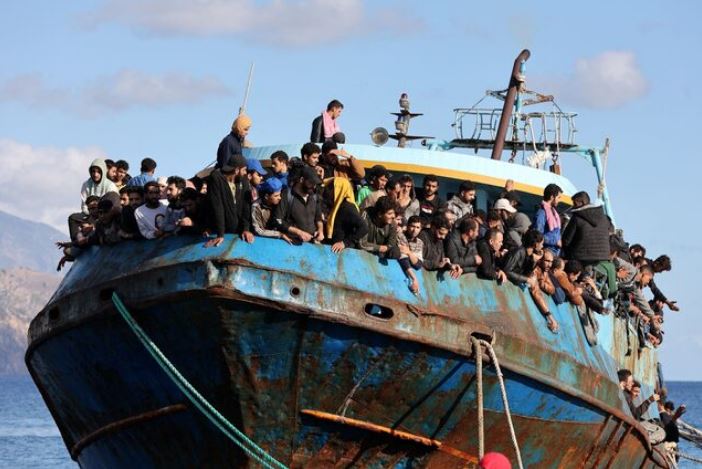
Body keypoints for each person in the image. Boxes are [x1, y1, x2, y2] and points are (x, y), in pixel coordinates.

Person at [503, 229, 559, 333]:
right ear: (535, 244)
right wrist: (527, 279)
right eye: (541, 243)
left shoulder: (530, 256)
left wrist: (534, 261)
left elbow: (532, 283)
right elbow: (507, 270)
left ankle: (550, 317)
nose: (542, 246)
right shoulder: (518, 252)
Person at [204, 154, 254, 247]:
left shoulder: (243, 180)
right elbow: (217, 206)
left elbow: (246, 207)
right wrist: (220, 234)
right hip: (222, 230)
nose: (245, 173)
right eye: (244, 170)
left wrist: (246, 229)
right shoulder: (216, 178)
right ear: (237, 170)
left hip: (238, 231)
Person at [273, 165, 324, 244]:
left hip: (312, 242)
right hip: (292, 242)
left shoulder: (314, 196)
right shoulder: (287, 195)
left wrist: (320, 230)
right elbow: (278, 220)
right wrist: (299, 232)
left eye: (315, 184)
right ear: (302, 180)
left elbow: (318, 218)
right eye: (311, 183)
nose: (314, 187)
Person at [561, 191, 610, 264]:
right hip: (602, 259)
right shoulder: (604, 218)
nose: (573, 206)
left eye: (575, 203)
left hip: (579, 258)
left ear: (582, 202)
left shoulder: (577, 217)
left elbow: (566, 241)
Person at [324, 178, 368, 253]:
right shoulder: (338, 205)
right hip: (333, 250)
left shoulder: (347, 207)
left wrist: (344, 243)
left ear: (340, 190)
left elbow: (364, 227)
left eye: (332, 188)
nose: (328, 191)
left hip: (341, 252)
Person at [251, 178, 291, 242]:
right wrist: (279, 234)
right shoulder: (256, 207)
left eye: (280, 195)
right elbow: (258, 230)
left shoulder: (279, 204)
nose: (280, 198)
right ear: (267, 196)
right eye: (276, 196)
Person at [534, 183, 563, 254]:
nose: (559, 200)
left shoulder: (553, 212)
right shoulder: (542, 213)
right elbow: (537, 235)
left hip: (555, 252)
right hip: (546, 251)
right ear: (552, 197)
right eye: (558, 197)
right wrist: (555, 241)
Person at [398, 215, 424, 294]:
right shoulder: (400, 236)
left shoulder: (420, 243)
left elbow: (418, 264)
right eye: (412, 226)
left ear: (420, 229)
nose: (414, 230)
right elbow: (403, 257)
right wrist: (414, 278)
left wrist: (409, 252)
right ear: (407, 226)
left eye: (417, 227)